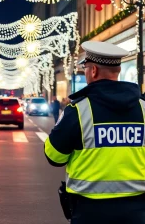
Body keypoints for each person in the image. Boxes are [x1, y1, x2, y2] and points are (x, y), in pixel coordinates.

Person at [44, 41, 145, 224]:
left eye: (86, 68)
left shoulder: (78, 110)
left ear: (93, 71)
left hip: (89, 210)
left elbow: (54, 156)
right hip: (138, 209)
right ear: (118, 71)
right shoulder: (143, 108)